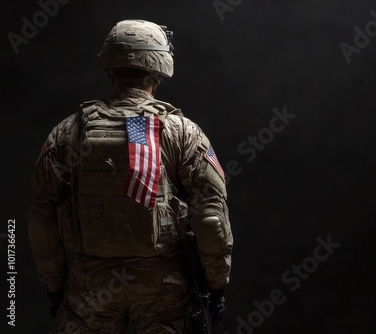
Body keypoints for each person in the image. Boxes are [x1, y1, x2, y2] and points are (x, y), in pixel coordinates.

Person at [28, 19, 233, 333]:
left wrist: (55, 286)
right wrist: (216, 285)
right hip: (165, 287)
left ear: (109, 67)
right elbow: (210, 221)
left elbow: (41, 217)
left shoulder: (69, 131)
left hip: (89, 288)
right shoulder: (183, 132)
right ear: (159, 69)